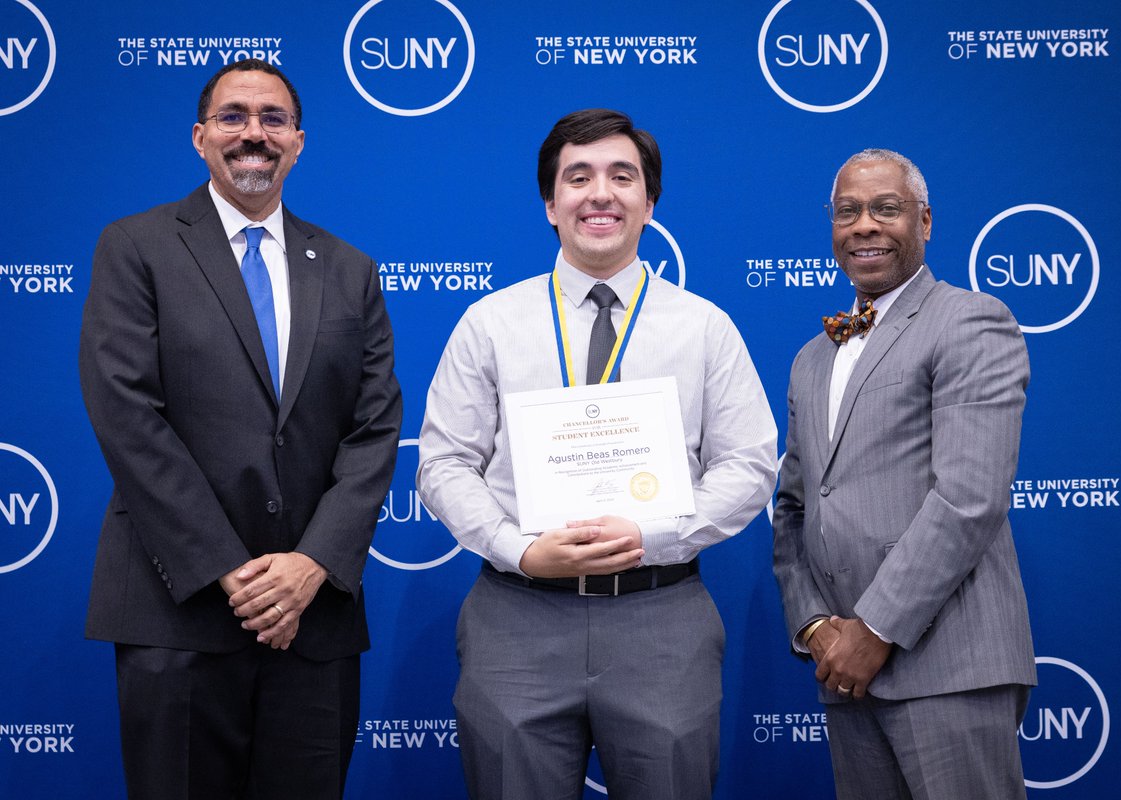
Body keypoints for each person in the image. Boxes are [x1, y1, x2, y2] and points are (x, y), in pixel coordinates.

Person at [417, 108, 777, 800]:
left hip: (660, 618)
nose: (600, 194)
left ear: (650, 202)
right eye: (577, 178)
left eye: (621, 176)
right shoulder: (490, 323)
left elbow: (750, 464)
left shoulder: (705, 327)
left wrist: (653, 534)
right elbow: (443, 463)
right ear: (551, 205)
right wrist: (515, 548)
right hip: (516, 617)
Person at [78, 58, 402, 799]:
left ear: (298, 141)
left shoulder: (349, 268)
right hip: (179, 609)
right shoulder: (137, 246)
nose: (253, 133)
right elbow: (126, 415)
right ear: (199, 137)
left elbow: (376, 427)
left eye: (272, 119)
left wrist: (310, 567)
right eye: (233, 117)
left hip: (313, 620)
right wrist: (234, 574)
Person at [772, 148, 1036, 799]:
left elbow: (969, 498)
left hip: (948, 665)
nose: (864, 224)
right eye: (847, 212)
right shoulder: (812, 357)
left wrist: (875, 629)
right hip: (845, 674)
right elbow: (796, 508)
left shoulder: (970, 319)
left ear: (924, 221)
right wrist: (816, 628)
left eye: (885, 209)